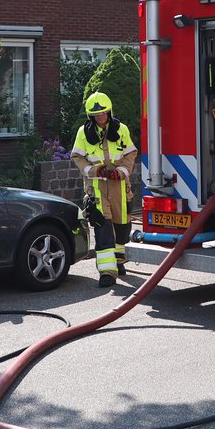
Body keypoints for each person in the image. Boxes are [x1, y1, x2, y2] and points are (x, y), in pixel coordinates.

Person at [70, 91, 138, 287]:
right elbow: (77, 157)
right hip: (97, 188)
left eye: (103, 113)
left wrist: (122, 172)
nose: (100, 117)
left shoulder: (121, 129)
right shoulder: (83, 133)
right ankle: (107, 272)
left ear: (109, 112)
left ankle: (119, 261)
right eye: (96, 114)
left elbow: (130, 153)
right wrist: (93, 170)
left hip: (120, 186)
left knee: (122, 226)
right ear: (90, 116)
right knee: (103, 227)